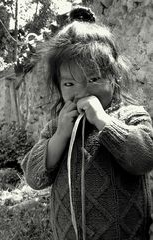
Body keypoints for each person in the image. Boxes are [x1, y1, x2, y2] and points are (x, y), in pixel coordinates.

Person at [21, 6, 153, 240]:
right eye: (69, 84)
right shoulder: (57, 126)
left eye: (93, 79)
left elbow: (144, 159)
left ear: (115, 78)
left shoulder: (131, 115)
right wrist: (60, 135)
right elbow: (34, 177)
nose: (82, 91)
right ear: (59, 86)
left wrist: (104, 121)